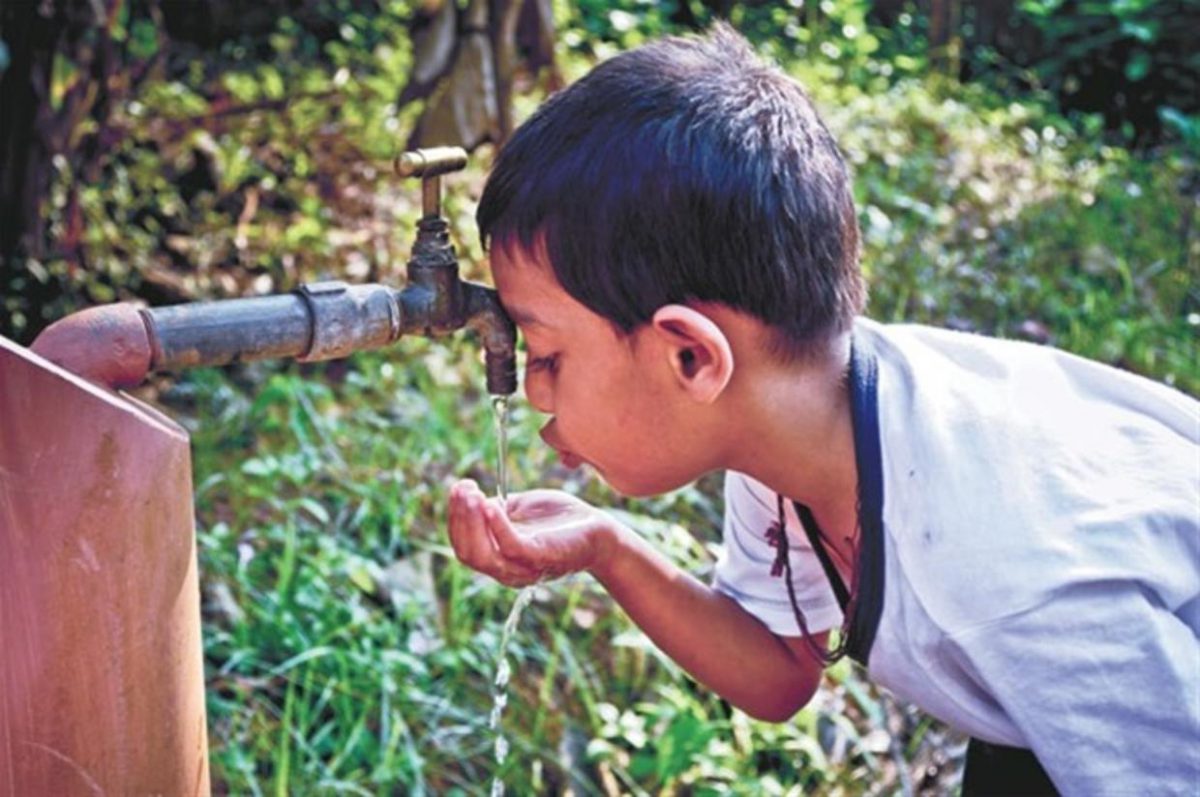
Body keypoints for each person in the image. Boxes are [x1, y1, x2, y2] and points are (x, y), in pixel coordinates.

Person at [445, 24, 1199, 796]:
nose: (532, 390)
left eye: (546, 355)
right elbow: (779, 673)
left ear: (691, 355)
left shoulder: (1011, 578)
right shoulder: (791, 423)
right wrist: (610, 548)